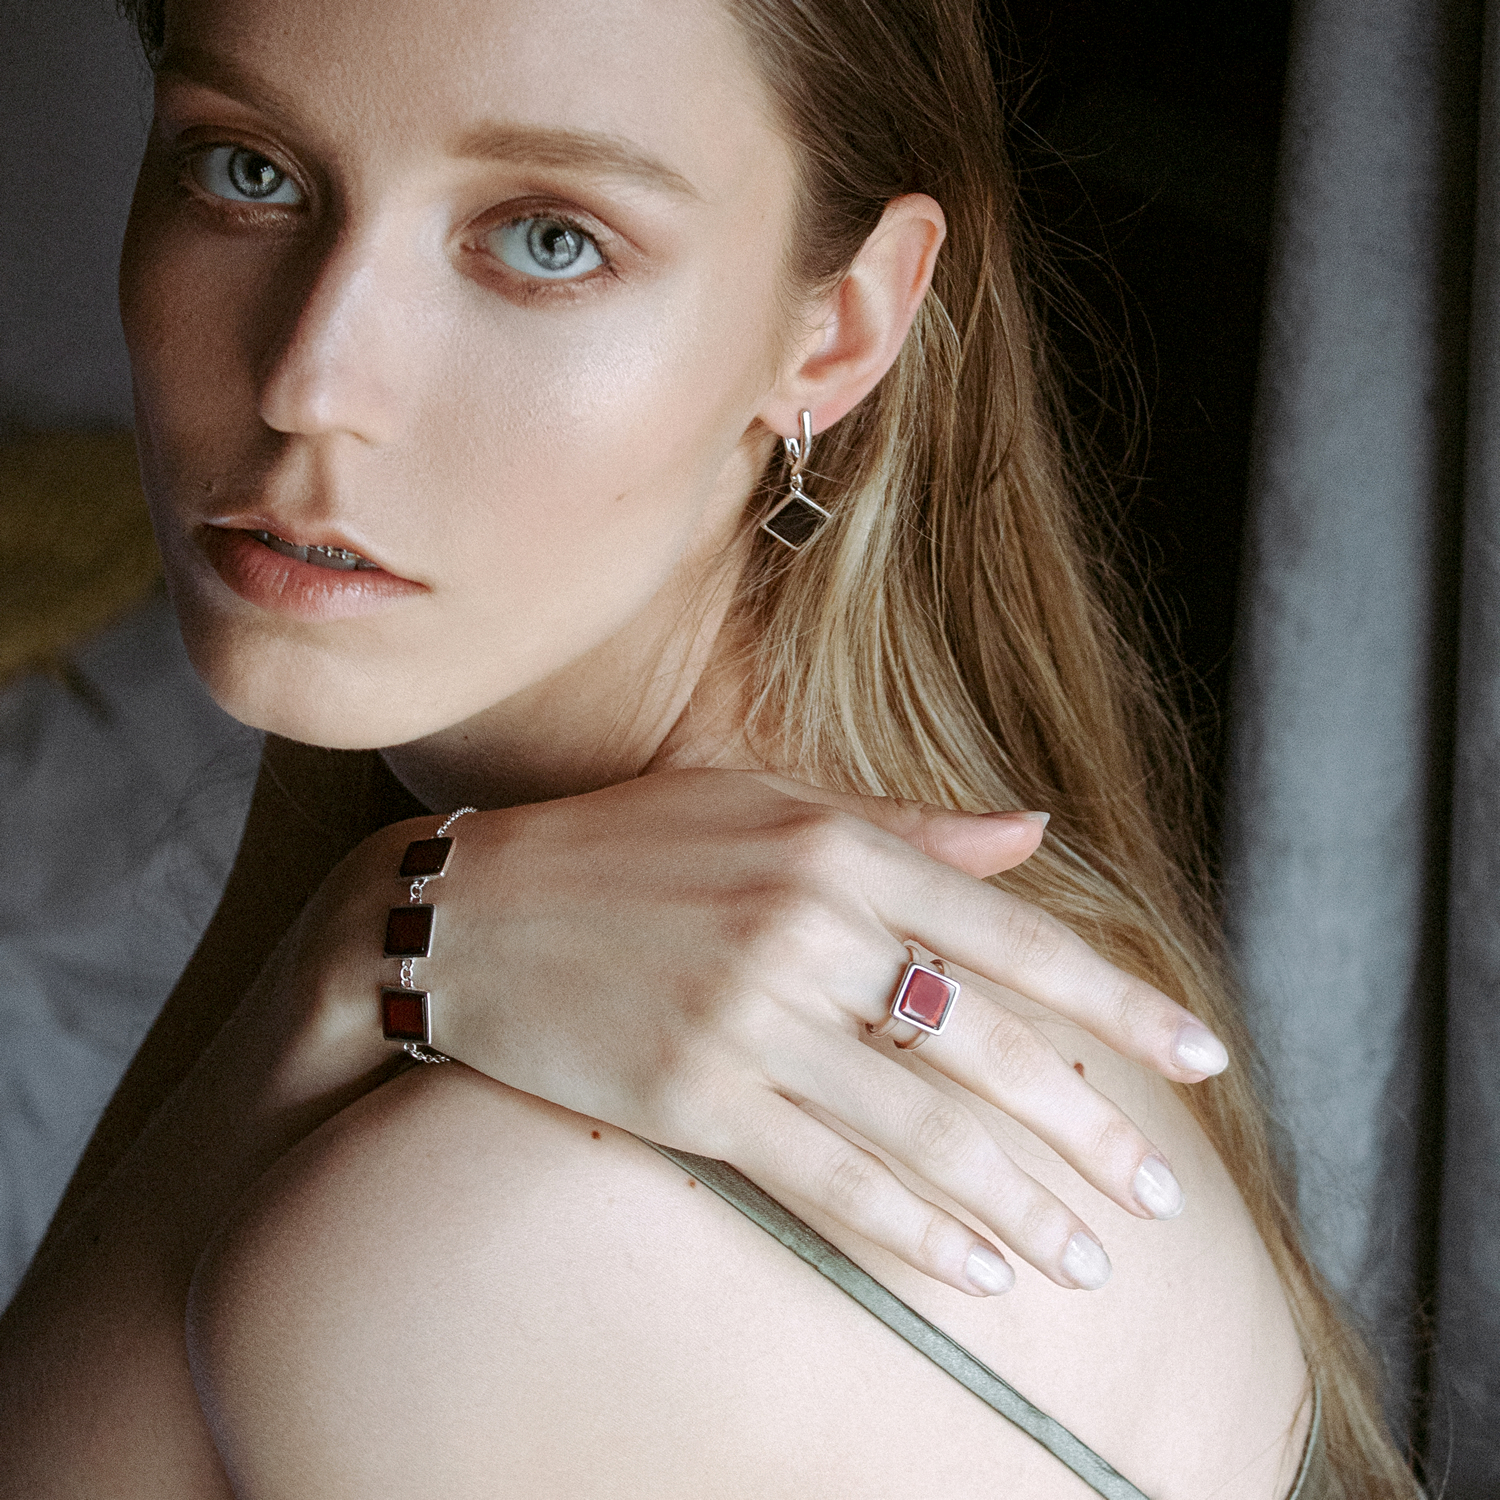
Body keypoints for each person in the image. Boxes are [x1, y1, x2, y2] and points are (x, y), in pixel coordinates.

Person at [0, 0, 1419, 1493]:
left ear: (841, 326)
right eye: (247, 171)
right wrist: (366, 941)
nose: (310, 382)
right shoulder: (425, 807)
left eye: (550, 239)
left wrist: (382, 944)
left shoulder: (485, 1263)